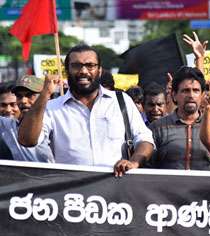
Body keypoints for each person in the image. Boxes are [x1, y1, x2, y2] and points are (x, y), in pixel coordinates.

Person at [18, 44, 154, 176]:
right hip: (71, 193)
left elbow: (145, 139)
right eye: (76, 66)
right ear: (66, 71)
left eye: (90, 65)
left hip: (116, 189)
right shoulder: (52, 108)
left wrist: (134, 163)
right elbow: (27, 140)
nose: (83, 71)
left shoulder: (121, 101)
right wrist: (44, 95)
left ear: (99, 70)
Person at [149, 67, 210, 171]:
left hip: (209, 187)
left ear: (202, 95)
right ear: (174, 95)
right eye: (185, 91)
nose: (191, 95)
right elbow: (147, 168)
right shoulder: (156, 128)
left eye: (196, 91)